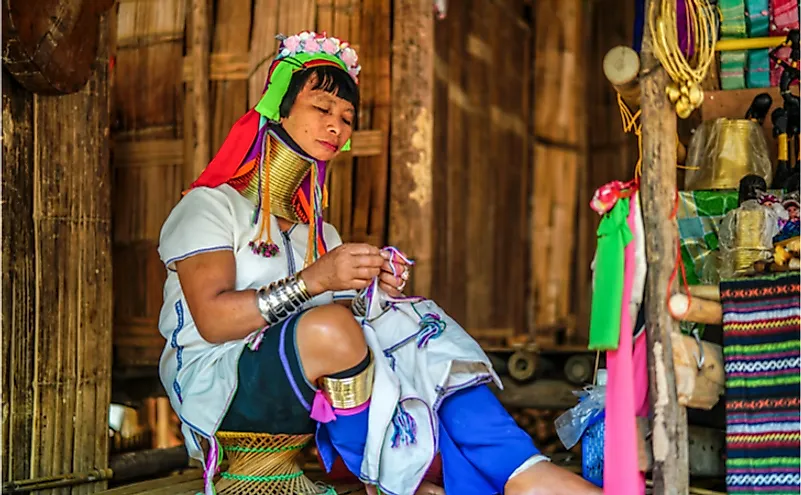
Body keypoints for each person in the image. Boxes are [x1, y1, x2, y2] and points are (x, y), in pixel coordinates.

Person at [157, 30, 601, 495]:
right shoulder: (209, 207)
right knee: (331, 327)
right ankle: (397, 480)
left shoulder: (321, 235)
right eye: (322, 109)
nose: (337, 126)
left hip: (298, 382)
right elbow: (212, 320)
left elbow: (353, 332)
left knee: (415, 322)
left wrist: (376, 291)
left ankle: (522, 470)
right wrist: (315, 281)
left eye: (347, 118)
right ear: (278, 107)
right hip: (216, 384)